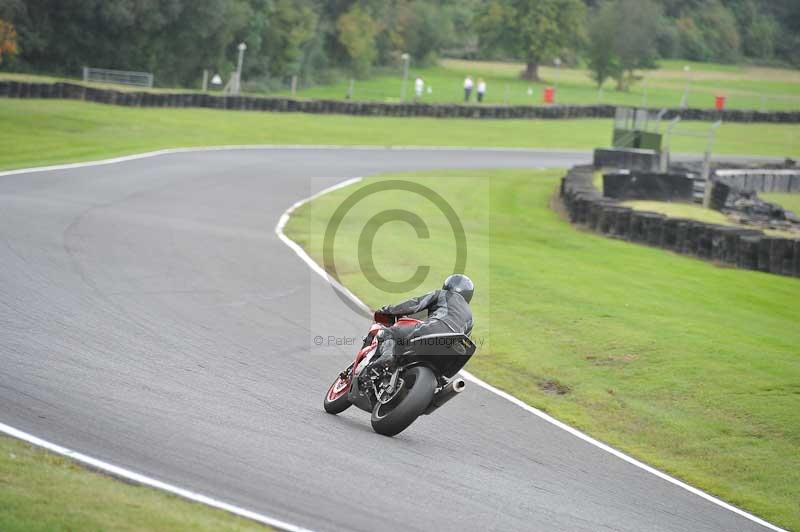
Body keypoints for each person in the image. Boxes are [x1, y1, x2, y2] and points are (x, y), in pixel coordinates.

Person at [369, 274, 474, 369]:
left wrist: (388, 310)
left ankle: (387, 355)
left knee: (390, 332)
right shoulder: (470, 317)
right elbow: (464, 341)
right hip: (450, 350)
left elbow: (414, 305)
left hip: (433, 329)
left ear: (447, 286)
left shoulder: (442, 294)